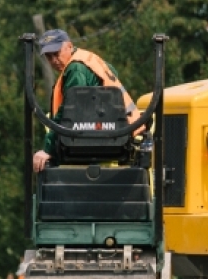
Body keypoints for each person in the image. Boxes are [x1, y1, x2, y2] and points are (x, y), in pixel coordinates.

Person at [31, 29, 143, 173]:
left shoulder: (76, 69)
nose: (54, 60)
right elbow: (112, 72)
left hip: (109, 137)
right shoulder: (89, 59)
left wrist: (48, 149)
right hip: (125, 132)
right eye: (49, 56)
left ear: (69, 46)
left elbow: (69, 111)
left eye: (56, 53)